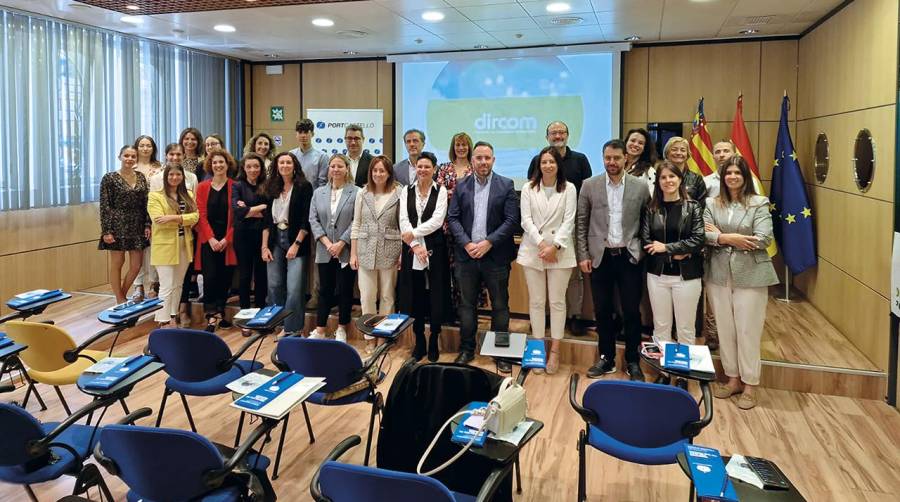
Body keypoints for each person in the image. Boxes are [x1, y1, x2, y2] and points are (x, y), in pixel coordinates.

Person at [704, 156, 778, 410]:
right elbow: (703, 233)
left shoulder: (759, 203)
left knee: (748, 330)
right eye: (728, 173)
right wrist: (730, 237)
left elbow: (763, 238)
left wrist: (721, 236)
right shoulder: (712, 203)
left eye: (737, 172)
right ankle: (732, 379)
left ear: (746, 176)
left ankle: (750, 385)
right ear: (722, 177)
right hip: (718, 274)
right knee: (725, 329)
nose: (732, 176)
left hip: (751, 275)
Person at [576, 139, 650, 381]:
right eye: (608, 158)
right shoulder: (589, 185)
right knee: (603, 310)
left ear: (625, 159)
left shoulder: (640, 187)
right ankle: (606, 357)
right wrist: (583, 254)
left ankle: (632, 360)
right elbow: (581, 223)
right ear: (603, 158)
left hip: (629, 257)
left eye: (617, 158)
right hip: (601, 257)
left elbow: (646, 223)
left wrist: (640, 251)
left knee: (631, 311)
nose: (612, 162)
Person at [447, 141, 519, 368]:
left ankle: (501, 353)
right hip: (467, 256)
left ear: (493, 160)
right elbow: (453, 218)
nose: (483, 162)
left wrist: (488, 242)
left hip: (495, 256)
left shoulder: (506, 185)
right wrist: (468, 244)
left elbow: (511, 221)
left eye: (487, 158)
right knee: (467, 306)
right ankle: (467, 350)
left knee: (500, 306)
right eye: (479, 158)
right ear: (472, 160)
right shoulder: (461, 186)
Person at [639, 161, 705, 388]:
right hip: (657, 276)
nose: (668, 181)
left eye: (672, 177)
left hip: (686, 277)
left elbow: (697, 240)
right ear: (658, 182)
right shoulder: (650, 208)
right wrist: (679, 251)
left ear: (680, 180)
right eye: (663, 178)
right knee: (661, 326)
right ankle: (665, 371)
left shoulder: (693, 207)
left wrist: (667, 248)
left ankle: (683, 375)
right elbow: (647, 241)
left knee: (686, 328)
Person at [527, 121, 592, 336]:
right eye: (553, 133)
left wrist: (555, 245)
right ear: (547, 137)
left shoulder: (580, 160)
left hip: (567, 232)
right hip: (538, 240)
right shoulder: (535, 163)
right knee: (539, 294)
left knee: (572, 280)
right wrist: (542, 244)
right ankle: (542, 323)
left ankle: (573, 317)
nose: (558, 135)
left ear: (568, 134)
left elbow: (585, 195)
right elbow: (528, 211)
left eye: (561, 132)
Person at [517, 146, 577, 375]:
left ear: (558, 165)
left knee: (557, 302)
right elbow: (526, 220)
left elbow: (569, 219)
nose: (548, 166)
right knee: (536, 302)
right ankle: (537, 348)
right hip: (534, 250)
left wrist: (555, 246)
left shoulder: (569, 188)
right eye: (544, 162)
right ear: (538, 165)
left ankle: (555, 350)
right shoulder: (528, 188)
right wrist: (543, 244)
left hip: (560, 253)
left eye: (552, 162)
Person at [398, 152, 449, 362]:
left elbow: (438, 220)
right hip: (412, 250)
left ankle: (434, 338)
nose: (423, 170)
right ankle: (419, 340)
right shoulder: (405, 190)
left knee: (436, 295)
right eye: (419, 166)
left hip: (435, 248)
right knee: (415, 295)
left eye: (427, 167)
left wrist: (414, 235)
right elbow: (403, 219)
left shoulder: (441, 191)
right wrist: (415, 245)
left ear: (435, 169)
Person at [350, 155, 403, 354]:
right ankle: (369, 336)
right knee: (367, 297)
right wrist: (353, 253)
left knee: (388, 296)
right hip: (364, 250)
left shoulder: (399, 193)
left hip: (390, 250)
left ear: (389, 173)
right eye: (375, 170)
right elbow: (356, 224)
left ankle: (384, 337)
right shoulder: (362, 193)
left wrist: (402, 254)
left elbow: (402, 223)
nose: (378, 174)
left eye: (382, 170)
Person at [261, 152, 313, 337]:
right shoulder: (271, 187)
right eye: (281, 162)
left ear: (294, 165)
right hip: (275, 238)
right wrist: (264, 247)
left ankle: (292, 329)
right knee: (274, 285)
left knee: (294, 288)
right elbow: (267, 220)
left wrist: (296, 244)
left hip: (295, 239)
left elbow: (306, 220)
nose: (284, 165)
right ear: (276, 166)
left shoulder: (304, 187)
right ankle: (278, 323)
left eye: (288, 162)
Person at [309, 154, 359, 342]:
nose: (336, 169)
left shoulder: (356, 192)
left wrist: (341, 243)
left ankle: (341, 329)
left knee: (345, 290)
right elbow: (312, 219)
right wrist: (328, 243)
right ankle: (320, 329)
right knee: (325, 290)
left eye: (340, 166)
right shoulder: (318, 192)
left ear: (347, 169)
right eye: (332, 166)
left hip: (345, 249)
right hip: (325, 249)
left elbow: (356, 220)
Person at [147, 164, 198, 328]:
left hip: (185, 245)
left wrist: (172, 218)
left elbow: (196, 217)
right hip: (165, 246)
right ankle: (163, 321)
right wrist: (183, 219)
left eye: (178, 174)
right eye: (171, 175)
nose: (174, 178)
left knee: (178, 284)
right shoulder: (156, 196)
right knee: (166, 285)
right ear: (165, 176)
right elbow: (158, 220)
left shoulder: (188, 194)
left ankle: (173, 315)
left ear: (183, 177)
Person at [98, 145, 151, 304]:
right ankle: (120, 299)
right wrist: (106, 230)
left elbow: (146, 202)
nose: (129, 159)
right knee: (118, 262)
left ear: (136, 159)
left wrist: (147, 224)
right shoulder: (109, 178)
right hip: (117, 223)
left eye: (133, 156)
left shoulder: (141, 177)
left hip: (138, 223)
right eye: (126, 156)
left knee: (136, 265)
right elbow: (105, 206)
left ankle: (123, 293)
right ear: (120, 157)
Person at [194, 150, 238, 331]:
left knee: (225, 279)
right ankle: (212, 316)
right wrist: (211, 238)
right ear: (210, 166)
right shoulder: (203, 187)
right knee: (210, 277)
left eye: (221, 162)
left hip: (229, 240)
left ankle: (220, 312)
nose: (218, 165)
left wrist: (227, 239)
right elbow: (200, 214)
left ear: (228, 165)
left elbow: (237, 216)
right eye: (214, 163)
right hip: (208, 239)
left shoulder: (235, 186)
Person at [436, 132, 475, 322]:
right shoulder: (444, 168)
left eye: (464, 145)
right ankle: (449, 311)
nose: (461, 148)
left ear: (469, 147)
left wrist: (453, 193)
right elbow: (439, 195)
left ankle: (466, 311)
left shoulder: (476, 168)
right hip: (445, 228)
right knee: (448, 271)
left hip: (469, 230)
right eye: (458, 145)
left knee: (466, 273)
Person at [232, 153, 269, 336]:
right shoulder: (237, 186)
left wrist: (248, 209)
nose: (253, 170)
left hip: (263, 236)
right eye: (249, 166)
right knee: (245, 277)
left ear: (261, 168)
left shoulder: (266, 186)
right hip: (242, 237)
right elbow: (237, 213)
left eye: (256, 166)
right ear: (244, 168)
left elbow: (268, 213)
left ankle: (261, 316)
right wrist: (259, 208)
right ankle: (245, 318)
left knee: (262, 277)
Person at [133, 135, 163, 300]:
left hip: (154, 211)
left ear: (153, 148)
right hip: (135, 213)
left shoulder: (159, 167)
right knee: (138, 249)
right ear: (137, 147)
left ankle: (153, 282)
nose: (145, 148)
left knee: (152, 248)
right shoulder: (132, 165)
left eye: (148, 146)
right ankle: (138, 285)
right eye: (142, 145)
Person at [663, 136, 708, 205]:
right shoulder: (659, 177)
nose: (678, 153)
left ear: (687, 155)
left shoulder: (696, 179)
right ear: (667, 154)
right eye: (674, 149)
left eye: (683, 150)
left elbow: (702, 206)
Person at [289, 118, 328, 189]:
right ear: (296, 135)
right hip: (294, 197)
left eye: (306, 132)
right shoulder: (291, 155)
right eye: (300, 132)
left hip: (314, 198)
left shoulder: (322, 156)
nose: (303, 135)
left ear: (312, 134)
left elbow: (322, 184)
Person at [624, 127, 657, 194]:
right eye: (633, 140)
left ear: (644, 148)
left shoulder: (649, 171)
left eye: (640, 143)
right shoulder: (617, 166)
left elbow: (651, 197)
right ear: (626, 143)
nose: (636, 144)